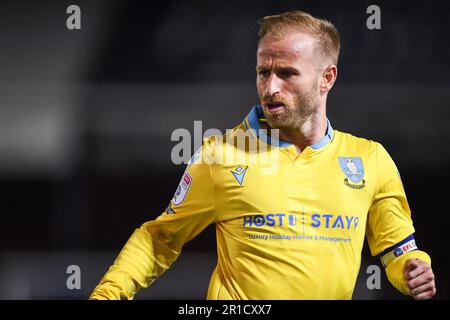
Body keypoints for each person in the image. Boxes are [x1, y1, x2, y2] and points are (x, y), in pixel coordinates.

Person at [90, 10, 436, 300]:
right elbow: (160, 238)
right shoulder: (221, 155)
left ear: (326, 78)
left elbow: (398, 250)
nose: (271, 87)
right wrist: (108, 294)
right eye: (263, 72)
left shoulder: (370, 160)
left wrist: (412, 269)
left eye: (287, 73)